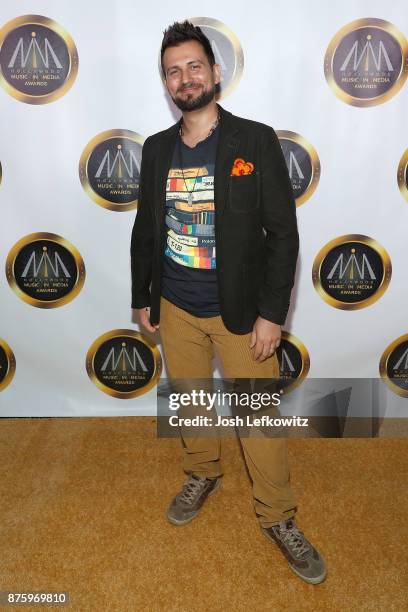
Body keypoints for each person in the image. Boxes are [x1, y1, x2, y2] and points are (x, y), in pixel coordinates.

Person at [131, 20, 326, 584]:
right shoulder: (156, 149)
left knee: (258, 419)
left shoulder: (255, 140)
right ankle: (202, 471)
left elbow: (282, 235)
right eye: (174, 71)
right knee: (190, 402)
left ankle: (278, 515)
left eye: (194, 66)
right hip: (176, 307)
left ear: (215, 73)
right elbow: (147, 229)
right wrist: (144, 296)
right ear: (166, 84)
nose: (185, 78)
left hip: (241, 314)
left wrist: (273, 316)